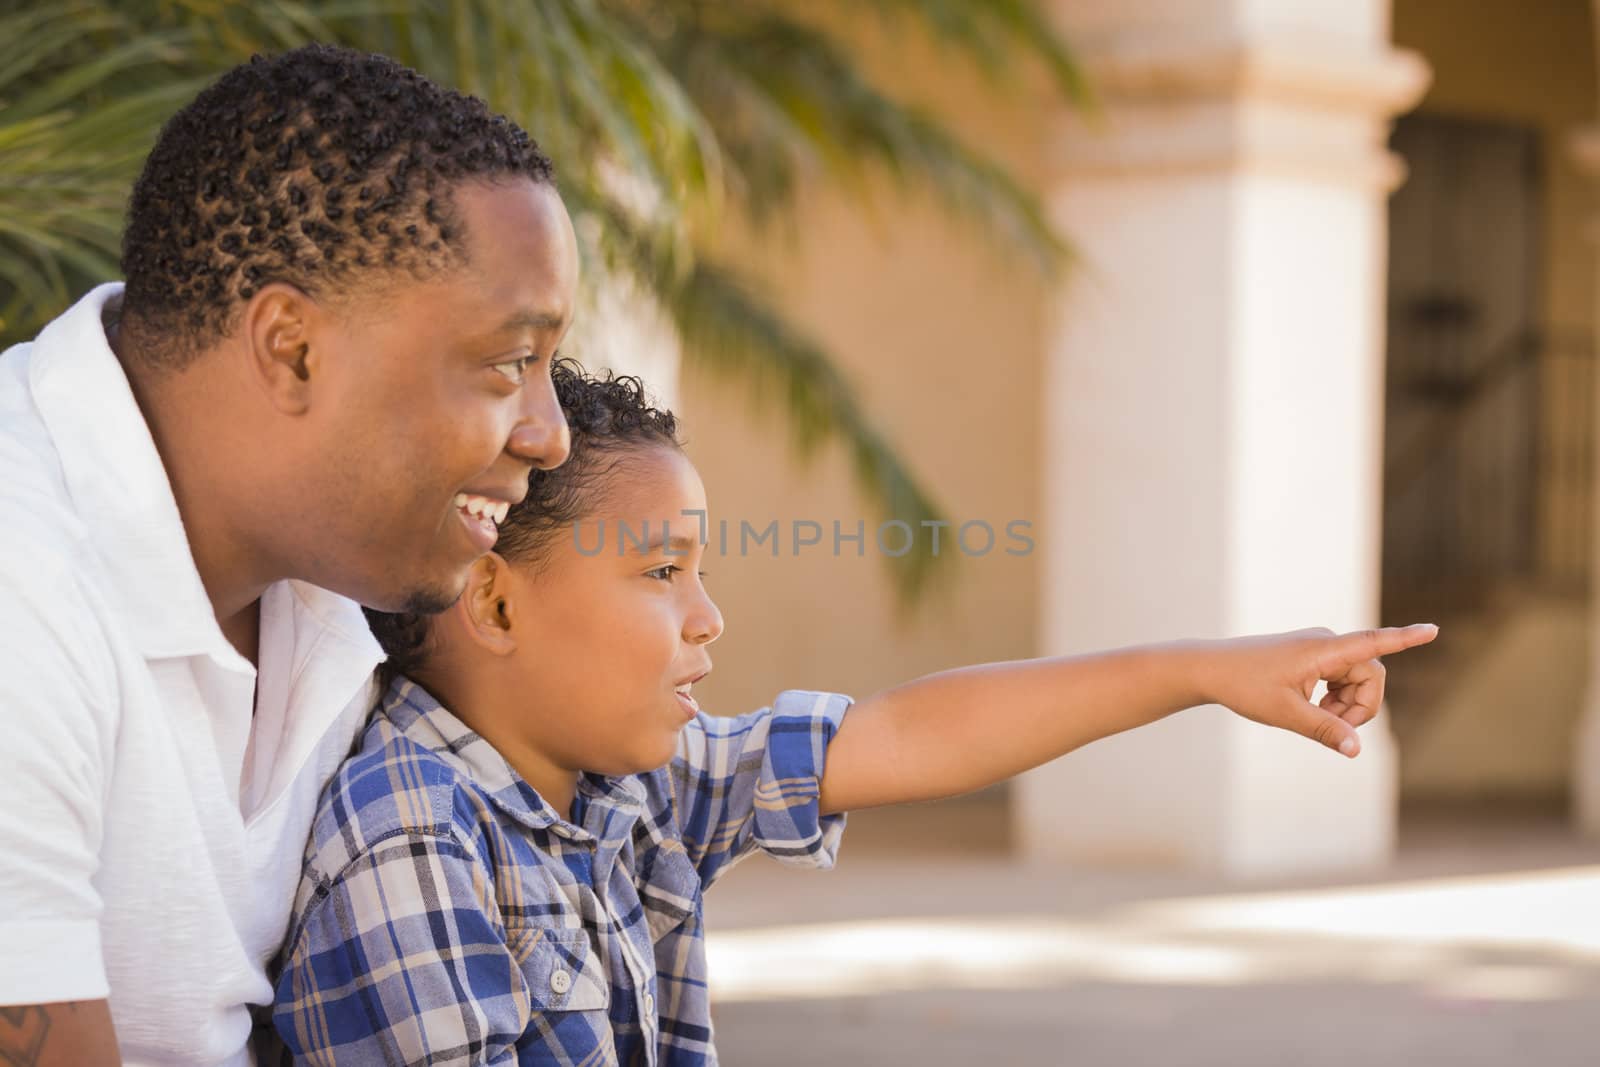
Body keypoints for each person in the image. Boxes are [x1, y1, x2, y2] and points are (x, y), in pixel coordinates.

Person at [270, 362, 1438, 1065]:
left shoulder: (618, 788)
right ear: (495, 600)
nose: (708, 619)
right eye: (662, 570)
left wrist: (1204, 671)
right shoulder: (412, 836)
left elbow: (907, 735)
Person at [0, 45, 576, 1066]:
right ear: (293, 348)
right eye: (506, 364)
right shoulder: (23, 586)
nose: (549, 432)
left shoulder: (333, 564)